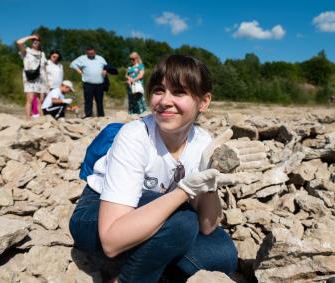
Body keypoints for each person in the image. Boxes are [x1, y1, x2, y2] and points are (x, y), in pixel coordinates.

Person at [69, 55, 238, 282]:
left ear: (204, 101)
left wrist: (210, 184)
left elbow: (207, 227)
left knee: (223, 255)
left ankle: (148, 259)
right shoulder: (135, 136)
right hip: (99, 213)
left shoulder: (202, 143)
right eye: (159, 90)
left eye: (179, 92)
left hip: (159, 216)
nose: (165, 101)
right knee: (183, 221)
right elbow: (110, 240)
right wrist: (184, 192)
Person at [16, 34, 48, 120]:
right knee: (30, 98)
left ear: (40, 43)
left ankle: (42, 119)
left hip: (39, 78)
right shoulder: (26, 51)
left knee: (39, 100)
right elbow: (19, 42)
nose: (35, 41)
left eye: (37, 40)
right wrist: (31, 36)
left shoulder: (42, 54)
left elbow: (44, 69)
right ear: (31, 42)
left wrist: (47, 83)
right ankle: (28, 119)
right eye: (34, 40)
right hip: (29, 77)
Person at [70, 47, 107, 118]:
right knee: (88, 101)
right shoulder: (82, 58)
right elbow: (72, 64)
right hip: (88, 83)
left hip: (99, 83)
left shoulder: (100, 58)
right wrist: (79, 71)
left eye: (92, 53)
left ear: (95, 52)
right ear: (87, 53)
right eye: (89, 54)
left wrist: (105, 70)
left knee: (99, 101)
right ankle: (88, 115)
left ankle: (101, 115)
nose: (91, 55)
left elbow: (106, 66)